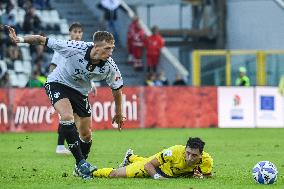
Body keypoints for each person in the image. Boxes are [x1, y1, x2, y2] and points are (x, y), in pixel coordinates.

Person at [5, 25, 125, 179]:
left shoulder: (110, 66)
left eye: (112, 48)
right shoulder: (75, 47)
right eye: (107, 48)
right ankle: (81, 162)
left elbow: (117, 90)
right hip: (58, 83)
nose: (110, 53)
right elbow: (42, 40)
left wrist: (119, 112)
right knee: (67, 117)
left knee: (86, 134)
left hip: (81, 92)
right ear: (95, 46)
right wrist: (19, 39)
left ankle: (79, 167)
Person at [48, 22, 97, 155]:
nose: (77, 34)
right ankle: (60, 146)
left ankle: (67, 145)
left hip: (76, 88)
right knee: (68, 117)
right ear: (70, 33)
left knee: (72, 118)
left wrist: (91, 84)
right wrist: (53, 83)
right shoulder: (63, 46)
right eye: (75, 32)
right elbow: (53, 66)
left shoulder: (84, 48)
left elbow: (85, 71)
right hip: (62, 86)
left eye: (79, 32)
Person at [92, 137, 213, 179]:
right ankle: (89, 172)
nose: (189, 157)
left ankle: (130, 157)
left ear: (201, 155)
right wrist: (157, 177)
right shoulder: (173, 152)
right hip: (157, 168)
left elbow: (207, 175)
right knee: (115, 174)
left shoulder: (207, 161)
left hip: (164, 170)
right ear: (185, 149)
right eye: (187, 153)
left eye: (194, 155)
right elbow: (148, 165)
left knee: (145, 160)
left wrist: (202, 177)